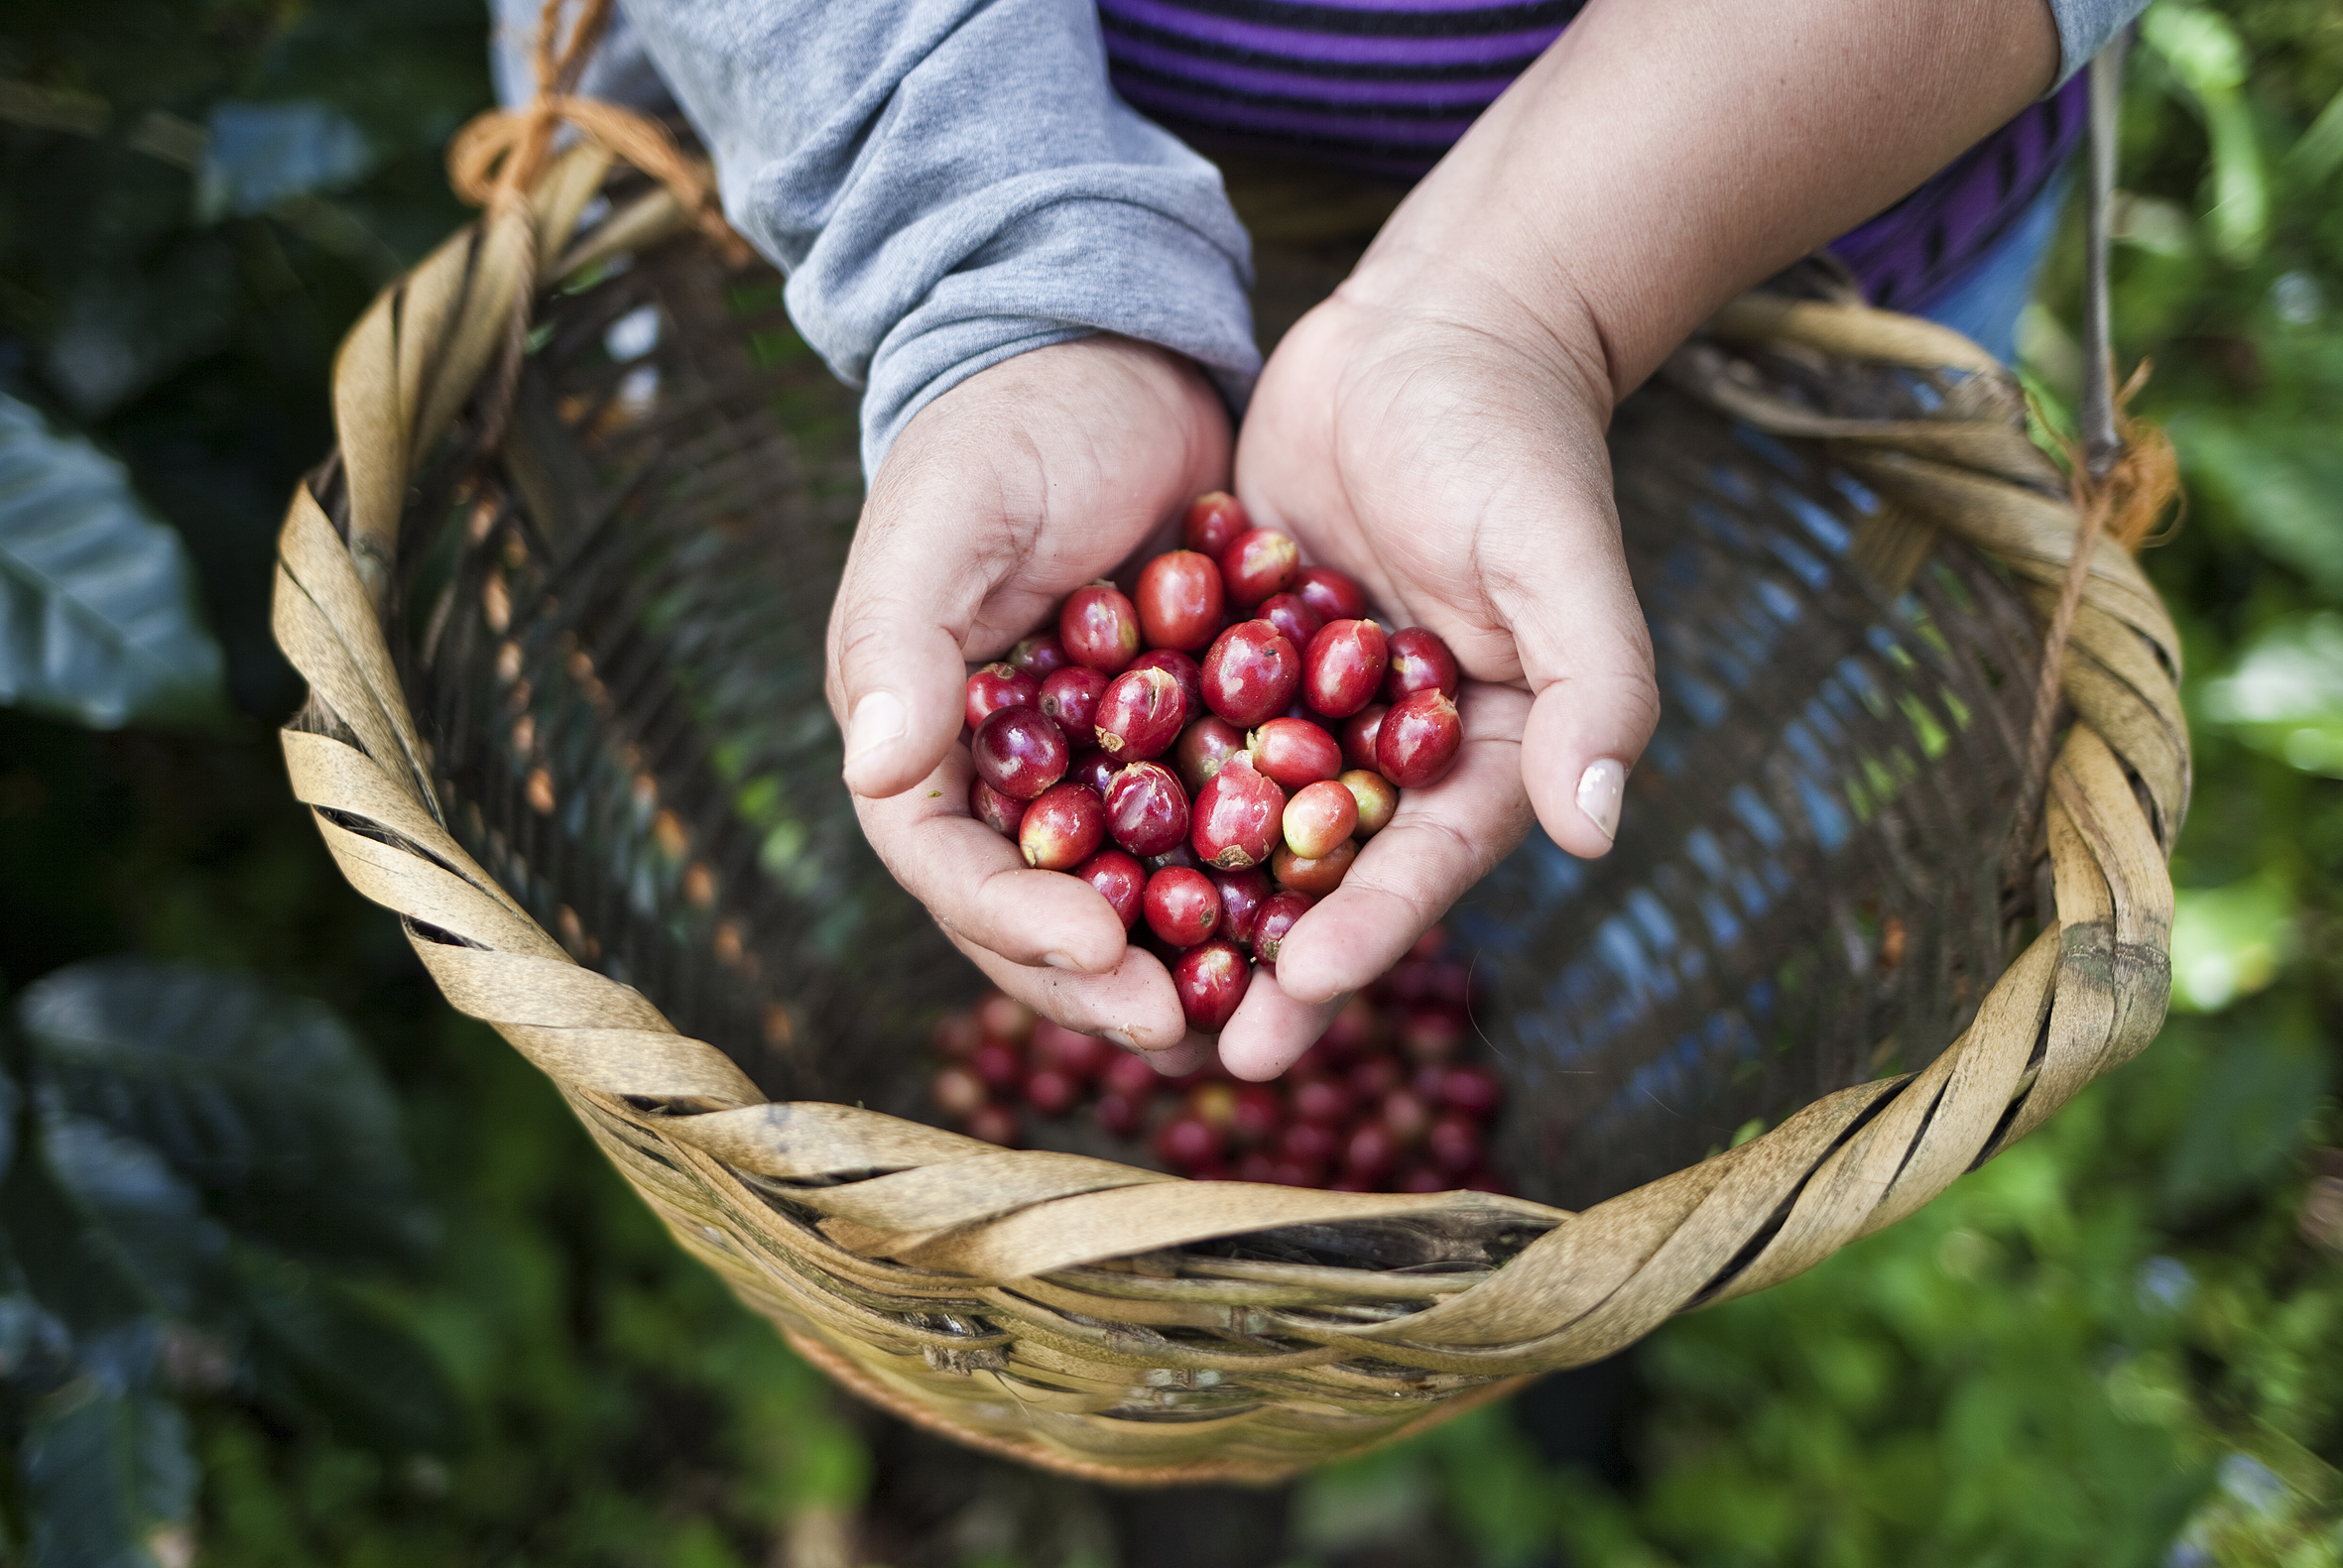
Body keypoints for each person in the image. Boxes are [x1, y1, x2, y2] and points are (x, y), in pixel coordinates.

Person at [491, 0, 2145, 1081]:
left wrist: (1527, 291)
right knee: (1499, 793)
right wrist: (987, 267)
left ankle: (1555, 1195)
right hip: (942, 169)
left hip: (1794, 204)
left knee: (1656, 868)